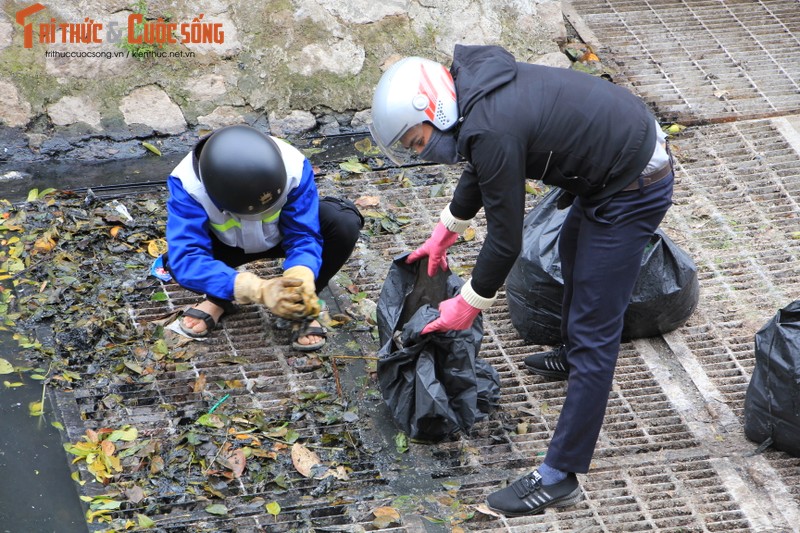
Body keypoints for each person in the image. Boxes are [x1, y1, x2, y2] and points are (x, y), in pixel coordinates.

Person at [369, 44, 674, 516]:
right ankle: (572, 355)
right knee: (573, 255)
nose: (422, 151)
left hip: (633, 181)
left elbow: (505, 241)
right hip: (606, 163)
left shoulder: (490, 124)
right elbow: (481, 164)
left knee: (597, 332)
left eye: (416, 140)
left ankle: (559, 475)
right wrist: (443, 234)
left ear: (431, 107)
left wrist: (468, 304)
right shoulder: (476, 97)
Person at [162, 124, 363, 351]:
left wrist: (303, 272)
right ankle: (219, 297)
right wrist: (255, 289)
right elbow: (187, 257)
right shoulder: (187, 184)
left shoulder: (293, 165)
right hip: (226, 245)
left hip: (279, 236)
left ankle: (300, 304)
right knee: (178, 263)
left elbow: (303, 233)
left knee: (342, 221)